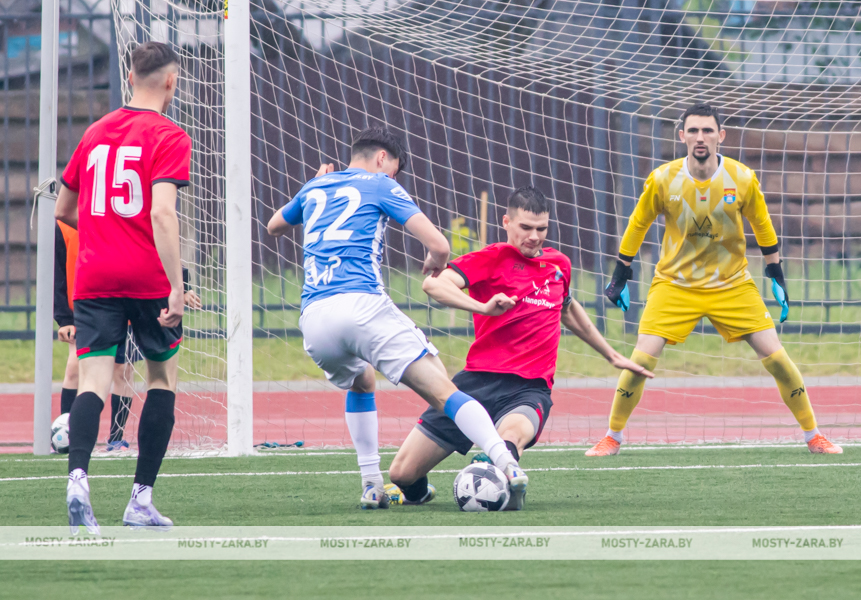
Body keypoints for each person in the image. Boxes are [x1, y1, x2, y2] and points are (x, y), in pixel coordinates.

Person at [267, 126, 526, 509]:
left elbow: (274, 226)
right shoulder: (380, 183)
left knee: (362, 381)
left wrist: (310, 187)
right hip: (362, 305)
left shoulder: (314, 187)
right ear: (382, 159)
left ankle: (372, 485)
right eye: (395, 170)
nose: (393, 177)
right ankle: (507, 464)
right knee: (443, 388)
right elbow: (440, 245)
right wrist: (435, 262)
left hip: (315, 318)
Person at [588, 101, 842, 456]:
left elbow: (763, 225)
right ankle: (612, 437)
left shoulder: (741, 178)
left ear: (721, 136)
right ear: (682, 136)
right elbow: (637, 224)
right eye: (693, 130)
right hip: (674, 285)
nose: (700, 137)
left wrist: (776, 272)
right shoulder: (663, 179)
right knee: (640, 361)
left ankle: (813, 435)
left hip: (732, 285)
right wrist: (621, 273)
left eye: (707, 130)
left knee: (778, 359)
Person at [384, 186, 653, 509]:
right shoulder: (492, 258)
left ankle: (504, 476)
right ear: (506, 222)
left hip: (529, 389)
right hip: (476, 383)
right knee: (402, 473)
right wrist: (482, 307)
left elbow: (567, 308)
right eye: (525, 227)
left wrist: (612, 355)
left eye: (542, 229)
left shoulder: (559, 265)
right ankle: (419, 493)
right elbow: (433, 284)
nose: (534, 236)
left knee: (508, 439)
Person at [54, 41, 192, 533]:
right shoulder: (170, 135)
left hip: (94, 276)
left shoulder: (94, 132)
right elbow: (162, 213)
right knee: (161, 380)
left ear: (130, 77)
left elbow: (63, 210)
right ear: (171, 82)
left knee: (93, 381)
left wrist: (103, 232)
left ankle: (77, 480)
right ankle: (140, 500)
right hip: (147, 276)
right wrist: (176, 286)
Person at [54, 220, 201, 451]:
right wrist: (64, 319)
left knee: (124, 370)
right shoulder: (64, 225)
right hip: (90, 307)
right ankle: (66, 433)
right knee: (75, 368)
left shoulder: (123, 215)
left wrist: (182, 285)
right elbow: (58, 273)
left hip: (131, 301)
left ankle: (116, 438)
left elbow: (156, 244)